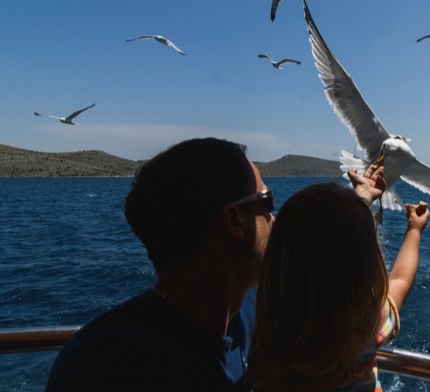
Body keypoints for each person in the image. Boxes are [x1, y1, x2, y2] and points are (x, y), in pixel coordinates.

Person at [46, 138, 384, 391]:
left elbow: (325, 246)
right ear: (235, 222)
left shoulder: (243, 304)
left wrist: (360, 199)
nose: (275, 217)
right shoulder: (117, 367)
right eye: (266, 202)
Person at [247, 177, 430, 392]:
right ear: (364, 270)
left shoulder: (264, 323)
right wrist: (414, 231)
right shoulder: (367, 323)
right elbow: (400, 279)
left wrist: (361, 197)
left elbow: (320, 246)